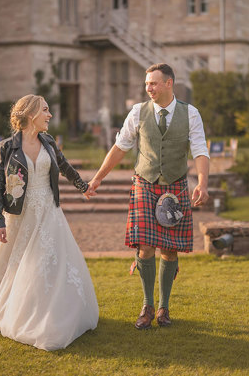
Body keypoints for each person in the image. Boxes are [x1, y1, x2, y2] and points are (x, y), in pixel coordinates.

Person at [0, 94, 99, 351]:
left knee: (51, 262)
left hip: (48, 210)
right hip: (18, 216)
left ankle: (53, 312)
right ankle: (16, 309)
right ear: (31, 114)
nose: (50, 115)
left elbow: (64, 165)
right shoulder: (6, 148)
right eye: (45, 110)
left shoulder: (48, 141)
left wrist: (83, 186)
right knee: (19, 264)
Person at [88, 63, 209, 329]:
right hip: (145, 182)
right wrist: (98, 177)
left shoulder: (190, 114)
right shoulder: (137, 112)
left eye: (154, 83)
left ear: (169, 84)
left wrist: (202, 182)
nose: (149, 88)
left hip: (175, 185)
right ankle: (147, 305)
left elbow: (200, 149)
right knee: (145, 246)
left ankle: (164, 308)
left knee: (169, 248)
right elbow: (120, 147)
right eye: (147, 84)